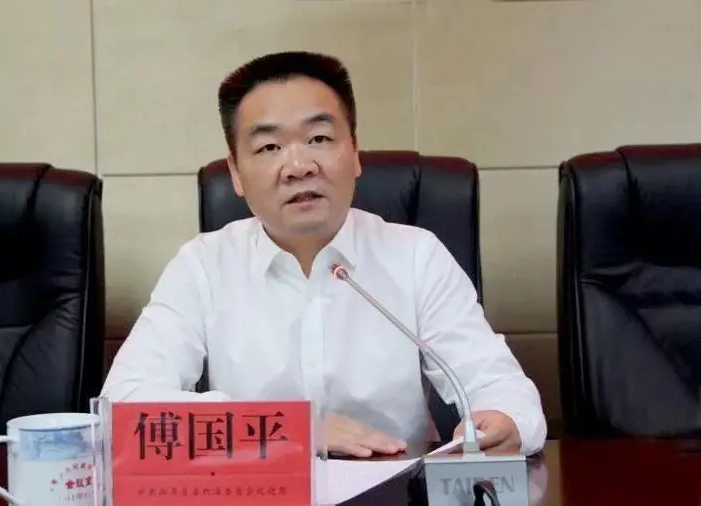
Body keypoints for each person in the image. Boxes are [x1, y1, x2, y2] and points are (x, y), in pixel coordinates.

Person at [101, 51, 547, 457]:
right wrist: (284, 429)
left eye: (318, 138)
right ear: (236, 173)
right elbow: (122, 407)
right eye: (269, 147)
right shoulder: (203, 266)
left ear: (354, 152)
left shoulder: (416, 256)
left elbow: (500, 386)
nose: (299, 167)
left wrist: (504, 421)